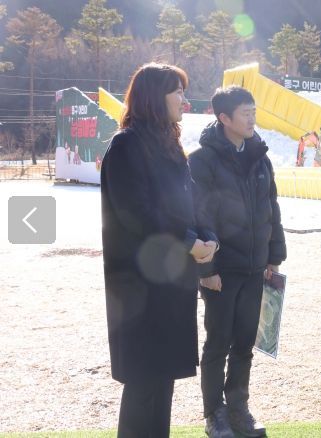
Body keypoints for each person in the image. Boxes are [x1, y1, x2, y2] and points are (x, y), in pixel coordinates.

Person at [100, 62, 218, 437]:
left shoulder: (169, 145)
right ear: (154, 96)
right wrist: (189, 242)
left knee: (162, 379)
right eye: (177, 92)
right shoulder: (127, 145)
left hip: (171, 281)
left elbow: (190, 202)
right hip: (140, 286)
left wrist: (207, 235)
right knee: (144, 381)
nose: (184, 100)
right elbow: (136, 213)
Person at [189, 85, 286, 438]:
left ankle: (239, 408)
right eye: (245, 113)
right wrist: (206, 270)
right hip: (222, 270)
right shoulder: (201, 160)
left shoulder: (260, 157)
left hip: (255, 267)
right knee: (218, 343)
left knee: (245, 343)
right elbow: (198, 216)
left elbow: (271, 208)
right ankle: (214, 414)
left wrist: (274, 257)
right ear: (224, 118)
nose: (252, 119)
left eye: (254, 111)